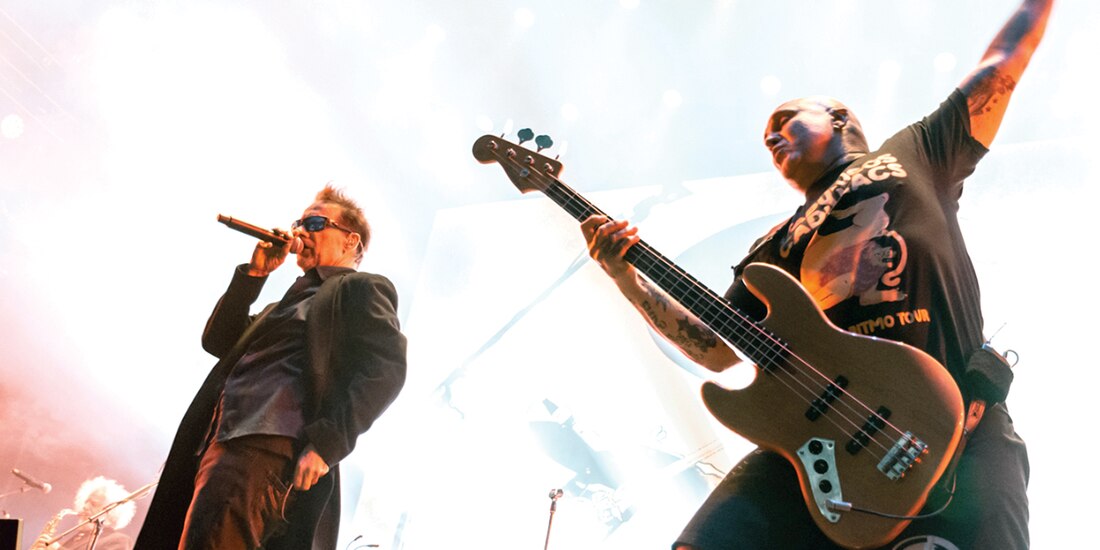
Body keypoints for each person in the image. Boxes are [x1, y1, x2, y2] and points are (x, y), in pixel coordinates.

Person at [581, 1, 1052, 548]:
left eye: (785, 120)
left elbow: (1002, 63)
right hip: (821, 444)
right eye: (767, 137)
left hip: (957, 420)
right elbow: (714, 347)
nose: (772, 137)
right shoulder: (772, 246)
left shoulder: (915, 151)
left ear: (838, 118)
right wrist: (627, 278)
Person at [135, 185, 408, 549]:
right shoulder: (280, 308)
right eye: (299, 222)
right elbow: (219, 340)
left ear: (349, 241)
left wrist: (327, 445)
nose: (299, 232)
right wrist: (255, 274)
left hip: (265, 446)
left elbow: (386, 367)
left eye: (314, 223)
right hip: (224, 443)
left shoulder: (360, 288)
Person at [33, 476, 136, 550]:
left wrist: (58, 549)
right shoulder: (77, 537)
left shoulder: (119, 540)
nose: (85, 507)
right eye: (86, 502)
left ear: (111, 511)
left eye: (94, 504)